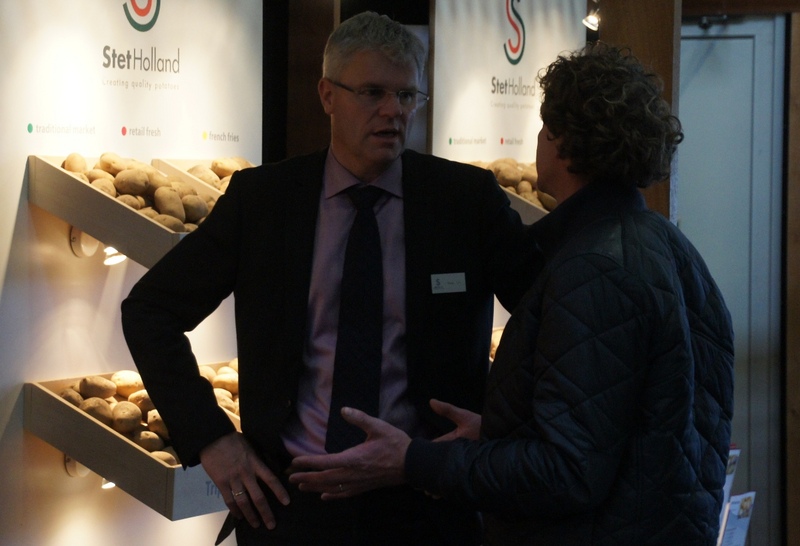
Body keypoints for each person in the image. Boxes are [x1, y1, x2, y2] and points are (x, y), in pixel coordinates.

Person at [289, 43, 736, 546]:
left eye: (545, 128)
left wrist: (416, 460)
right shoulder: (666, 244)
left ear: (564, 143)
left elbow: (566, 472)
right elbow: (626, 425)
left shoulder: (592, 267)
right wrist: (501, 431)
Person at [121, 11, 538, 546]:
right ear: (327, 95)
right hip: (290, 506)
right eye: (372, 93)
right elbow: (150, 311)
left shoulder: (464, 201)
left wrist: (501, 427)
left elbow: (552, 322)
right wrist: (212, 438)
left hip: (428, 505)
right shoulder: (264, 202)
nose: (392, 111)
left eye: (406, 95)